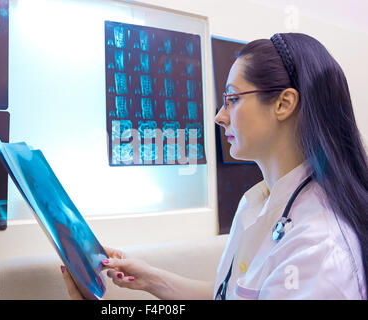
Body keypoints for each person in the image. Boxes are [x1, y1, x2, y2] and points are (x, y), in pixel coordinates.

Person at [61, 32, 368, 300]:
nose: (220, 116)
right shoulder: (257, 203)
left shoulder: (319, 247)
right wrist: (152, 279)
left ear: (283, 104)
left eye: (232, 99)